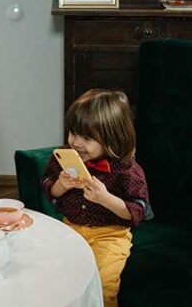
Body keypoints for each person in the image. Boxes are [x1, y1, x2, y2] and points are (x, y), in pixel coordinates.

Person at [41, 89, 152, 307]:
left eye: (87, 138)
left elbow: (138, 212)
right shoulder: (66, 156)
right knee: (58, 278)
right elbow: (49, 189)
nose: (76, 142)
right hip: (69, 228)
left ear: (111, 139)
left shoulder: (127, 170)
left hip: (110, 236)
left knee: (102, 285)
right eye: (73, 132)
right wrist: (61, 185)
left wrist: (105, 198)